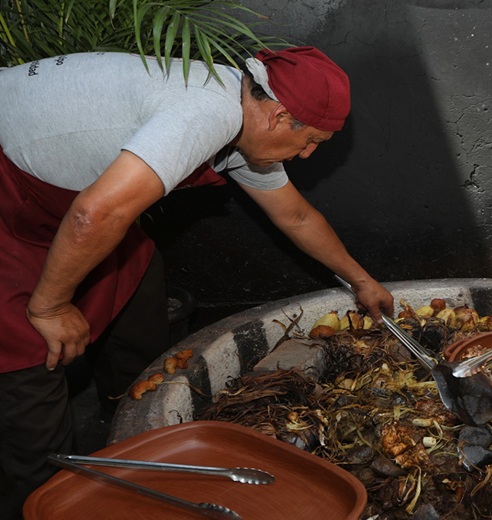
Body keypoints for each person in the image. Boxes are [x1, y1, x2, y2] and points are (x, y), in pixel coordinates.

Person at [0, 47, 394, 517]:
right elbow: (95, 213)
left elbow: (295, 215)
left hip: (68, 207)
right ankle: (41, 493)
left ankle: (131, 437)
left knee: (138, 283)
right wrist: (50, 306)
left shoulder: (247, 116)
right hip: (13, 195)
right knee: (30, 352)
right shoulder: (206, 111)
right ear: (279, 114)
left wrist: (361, 281)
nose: (307, 154)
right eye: (309, 141)